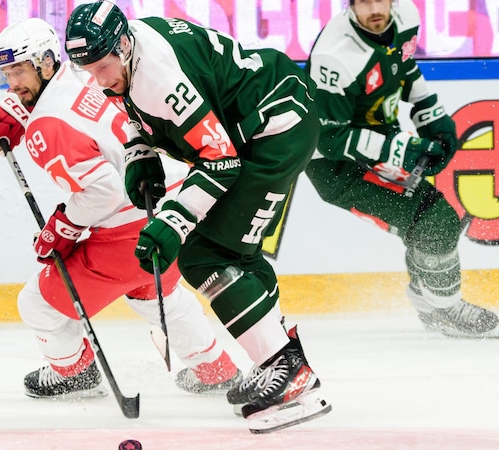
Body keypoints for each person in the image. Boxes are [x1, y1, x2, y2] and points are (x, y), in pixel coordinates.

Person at [65, 1, 331, 432]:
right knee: (234, 252)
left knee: (204, 254)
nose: (99, 79)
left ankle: (289, 371)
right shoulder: (127, 55)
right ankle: (282, 356)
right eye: (88, 70)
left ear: (124, 45)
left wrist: (172, 221)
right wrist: (140, 151)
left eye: (104, 65)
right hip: (255, 122)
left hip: (274, 129)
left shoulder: (157, 77)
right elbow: (134, 105)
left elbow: (219, 160)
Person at [0, 18, 243, 400]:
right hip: (170, 206)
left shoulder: (47, 126)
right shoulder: (90, 73)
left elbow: (104, 191)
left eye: (19, 70)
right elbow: (83, 115)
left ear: (47, 63)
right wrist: (21, 110)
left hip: (127, 227)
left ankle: (75, 374)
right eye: (6, 73)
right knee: (156, 293)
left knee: (37, 304)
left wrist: (63, 227)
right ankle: (216, 369)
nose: (11, 83)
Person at [305, 0, 499, 338]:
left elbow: (403, 67)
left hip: (377, 142)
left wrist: (430, 113)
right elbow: (329, 139)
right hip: (337, 167)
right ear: (349, 4)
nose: (374, 9)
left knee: (426, 224)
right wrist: (406, 149)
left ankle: (428, 303)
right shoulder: (335, 57)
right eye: (363, 2)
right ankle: (446, 308)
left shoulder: (406, 16)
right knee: (436, 221)